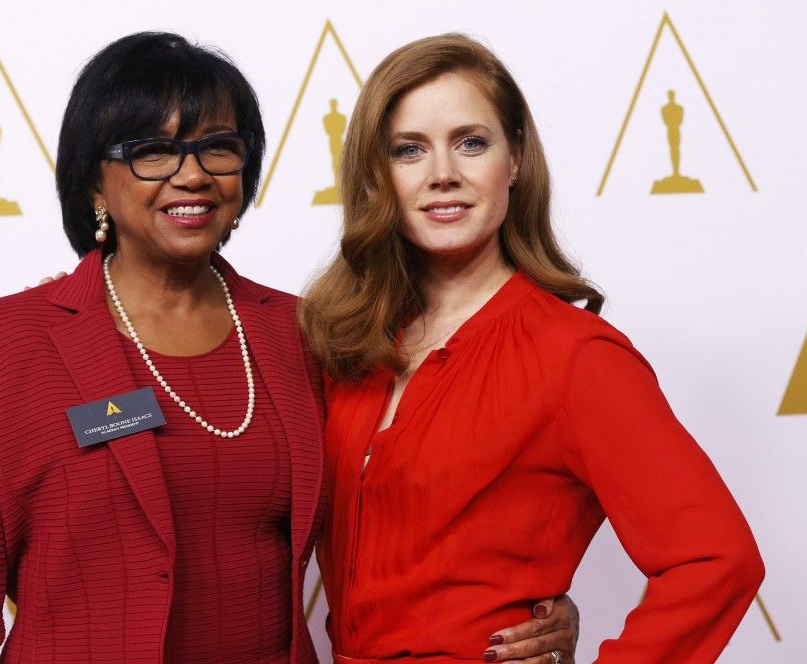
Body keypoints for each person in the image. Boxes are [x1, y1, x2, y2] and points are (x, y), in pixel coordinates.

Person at [0, 32, 576, 663]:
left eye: (218, 148)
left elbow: (408, 510)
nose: (192, 175)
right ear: (93, 183)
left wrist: (532, 601)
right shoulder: (1, 344)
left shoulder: (306, 333)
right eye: (153, 151)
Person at [299, 34, 764, 663]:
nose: (443, 174)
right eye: (409, 150)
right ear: (377, 174)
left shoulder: (575, 357)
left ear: (514, 159)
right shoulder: (343, 343)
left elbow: (717, 559)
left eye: (472, 143)